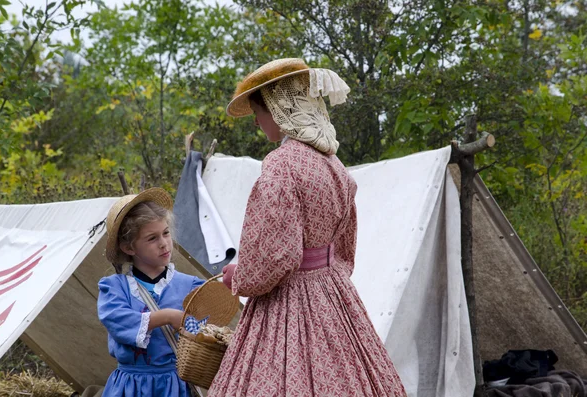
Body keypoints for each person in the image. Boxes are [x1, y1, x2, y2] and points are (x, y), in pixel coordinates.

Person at [209, 58, 407, 396]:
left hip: (288, 301)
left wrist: (240, 276)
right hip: (333, 294)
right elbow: (344, 246)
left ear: (278, 109)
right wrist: (327, 274)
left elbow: (277, 255)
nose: (257, 121)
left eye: (260, 111)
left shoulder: (281, 164)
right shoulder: (333, 163)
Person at [97, 187, 204, 397]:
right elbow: (117, 319)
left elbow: (203, 332)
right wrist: (168, 316)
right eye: (152, 238)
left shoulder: (191, 287)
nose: (164, 243)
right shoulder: (114, 288)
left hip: (174, 387)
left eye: (165, 233)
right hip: (130, 387)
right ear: (129, 248)